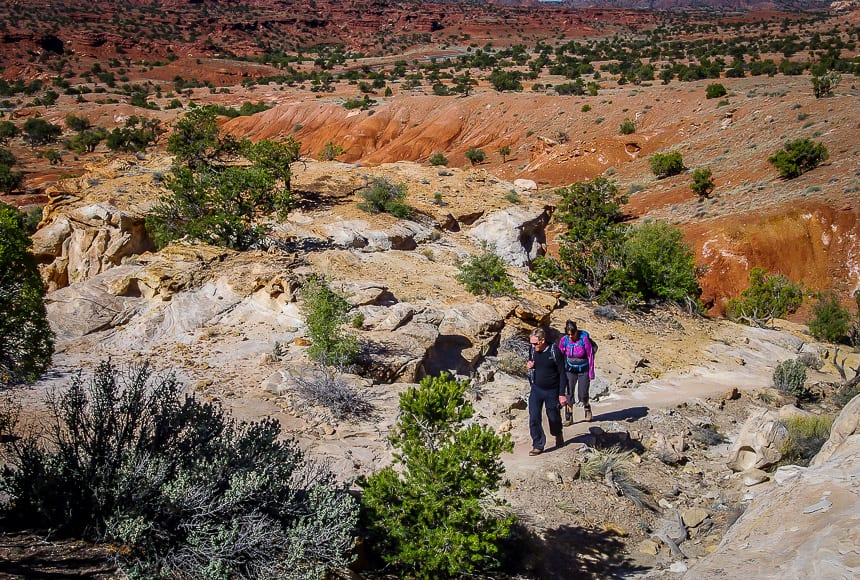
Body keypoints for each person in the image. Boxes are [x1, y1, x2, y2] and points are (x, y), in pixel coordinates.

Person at [526, 327, 567, 456]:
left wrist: (561, 394)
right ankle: (538, 445)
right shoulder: (532, 350)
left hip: (552, 391)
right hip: (536, 389)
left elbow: (562, 373)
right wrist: (531, 365)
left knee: (553, 417)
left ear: (542, 340)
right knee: (534, 417)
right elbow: (533, 363)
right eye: (531, 343)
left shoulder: (554, 352)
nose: (533, 346)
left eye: (535, 343)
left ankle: (557, 433)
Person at [558, 320, 595, 424]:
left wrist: (591, 372)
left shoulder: (584, 339)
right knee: (568, 393)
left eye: (572, 334)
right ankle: (569, 417)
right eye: (568, 334)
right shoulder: (564, 340)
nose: (570, 336)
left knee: (582, 393)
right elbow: (559, 355)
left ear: (576, 331)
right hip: (569, 369)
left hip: (583, 370)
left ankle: (587, 407)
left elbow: (590, 355)